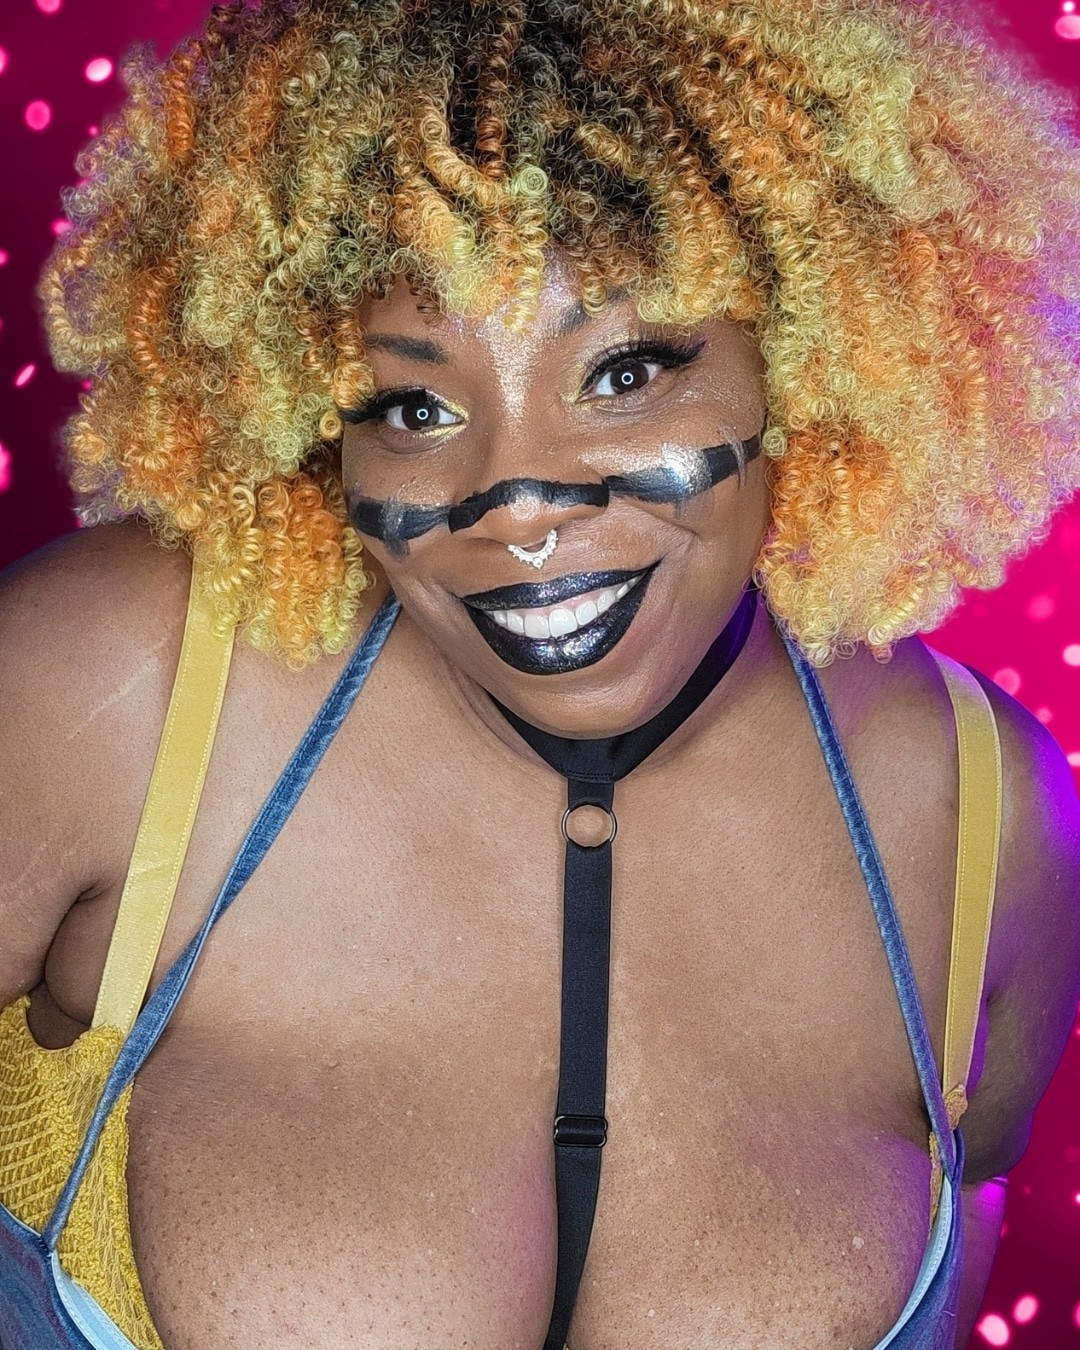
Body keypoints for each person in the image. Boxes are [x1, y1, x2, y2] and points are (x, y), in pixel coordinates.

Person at [2, 0, 1079, 1346]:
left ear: (807, 355)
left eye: (625, 367)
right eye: (415, 406)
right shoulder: (125, 683)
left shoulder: (983, 819)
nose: (512, 497)